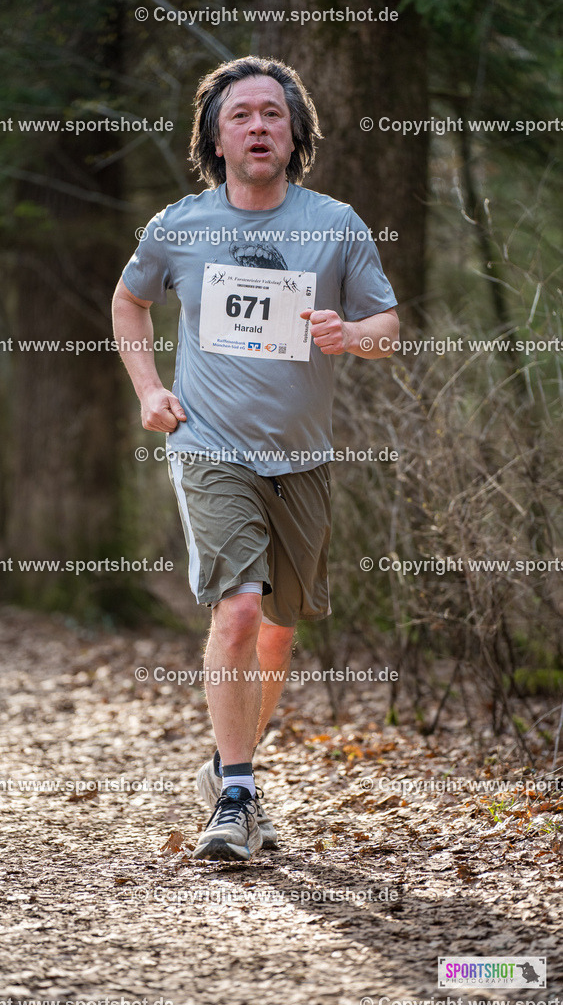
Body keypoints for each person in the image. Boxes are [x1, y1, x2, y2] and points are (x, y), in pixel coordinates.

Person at [112, 56, 399, 861]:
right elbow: (129, 301)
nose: (258, 126)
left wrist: (352, 335)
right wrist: (149, 390)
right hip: (210, 447)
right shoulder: (179, 226)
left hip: (301, 459)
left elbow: (387, 328)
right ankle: (236, 793)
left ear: (294, 131)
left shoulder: (334, 224)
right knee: (238, 610)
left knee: (277, 630)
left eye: (273, 113)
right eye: (240, 115)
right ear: (215, 138)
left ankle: (223, 765)